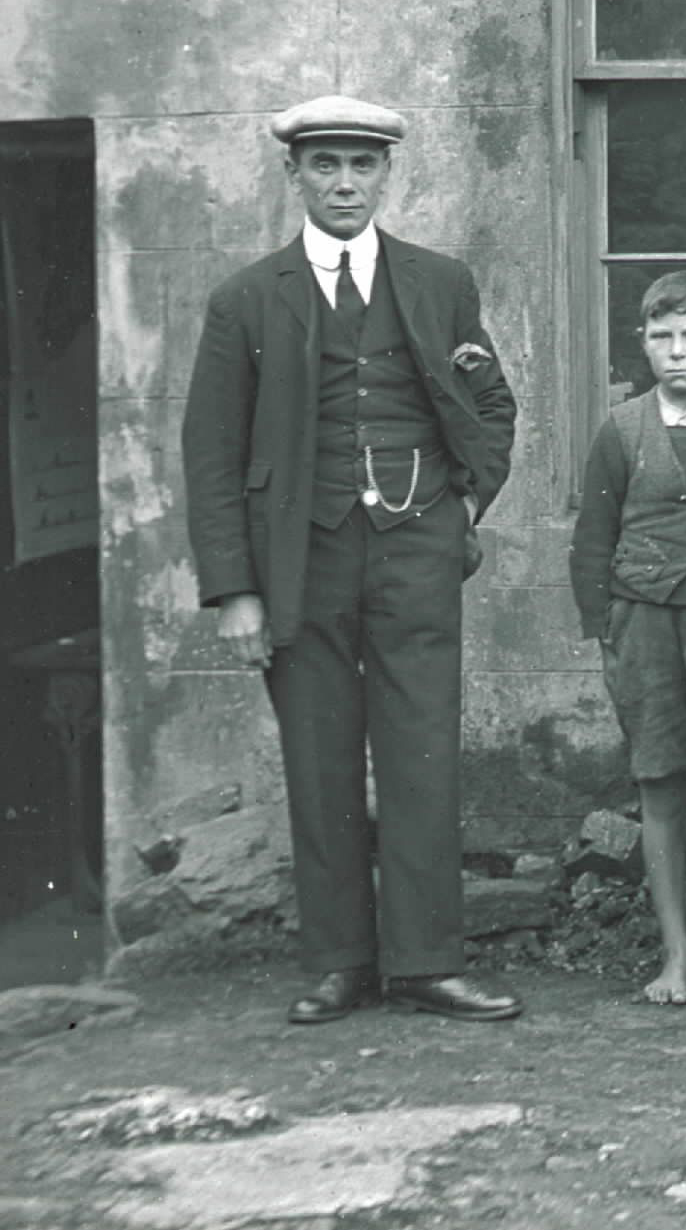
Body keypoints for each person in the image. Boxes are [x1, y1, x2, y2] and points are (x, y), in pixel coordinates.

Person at [181, 96, 520, 1025]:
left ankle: (427, 963)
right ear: (293, 175)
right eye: (324, 164)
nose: (343, 183)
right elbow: (210, 455)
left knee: (422, 754)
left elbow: (492, 406)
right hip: (302, 559)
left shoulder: (439, 280)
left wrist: (461, 506)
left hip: (417, 553)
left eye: (360, 165)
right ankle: (340, 962)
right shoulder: (248, 297)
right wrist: (235, 590)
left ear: (386, 175)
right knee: (320, 757)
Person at [569, 267, 686, 1007]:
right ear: (642, 344)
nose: (677, 351)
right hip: (643, 623)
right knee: (659, 783)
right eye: (662, 336)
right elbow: (593, 540)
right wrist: (605, 634)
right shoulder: (621, 429)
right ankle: (674, 949)